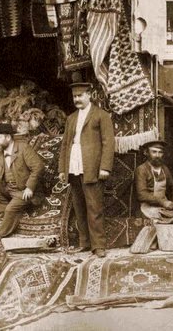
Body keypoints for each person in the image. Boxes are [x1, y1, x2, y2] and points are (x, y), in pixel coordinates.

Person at [58, 82, 114, 257]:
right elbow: (65, 144)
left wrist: (105, 167)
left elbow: (108, 142)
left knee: (94, 207)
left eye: (80, 95)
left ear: (89, 95)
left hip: (92, 168)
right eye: (74, 96)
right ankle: (84, 242)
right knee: (79, 207)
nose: (77, 99)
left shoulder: (101, 116)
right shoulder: (71, 118)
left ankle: (99, 245)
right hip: (74, 166)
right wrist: (62, 169)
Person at [135, 141, 173, 224]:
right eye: (154, 152)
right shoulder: (142, 169)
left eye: (160, 152)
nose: (157, 155)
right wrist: (162, 202)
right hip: (147, 207)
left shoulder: (164, 169)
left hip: (164, 206)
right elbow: (141, 194)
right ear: (146, 153)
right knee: (160, 221)